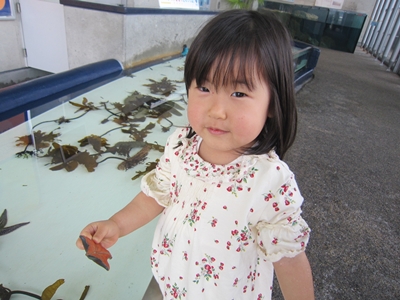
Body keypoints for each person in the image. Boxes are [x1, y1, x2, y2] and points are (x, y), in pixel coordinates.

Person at [77, 9, 314, 300]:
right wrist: (116, 224)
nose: (217, 110)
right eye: (204, 87)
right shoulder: (180, 146)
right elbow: (155, 196)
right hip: (168, 280)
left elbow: (289, 261)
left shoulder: (269, 181)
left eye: (238, 94)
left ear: (272, 104)